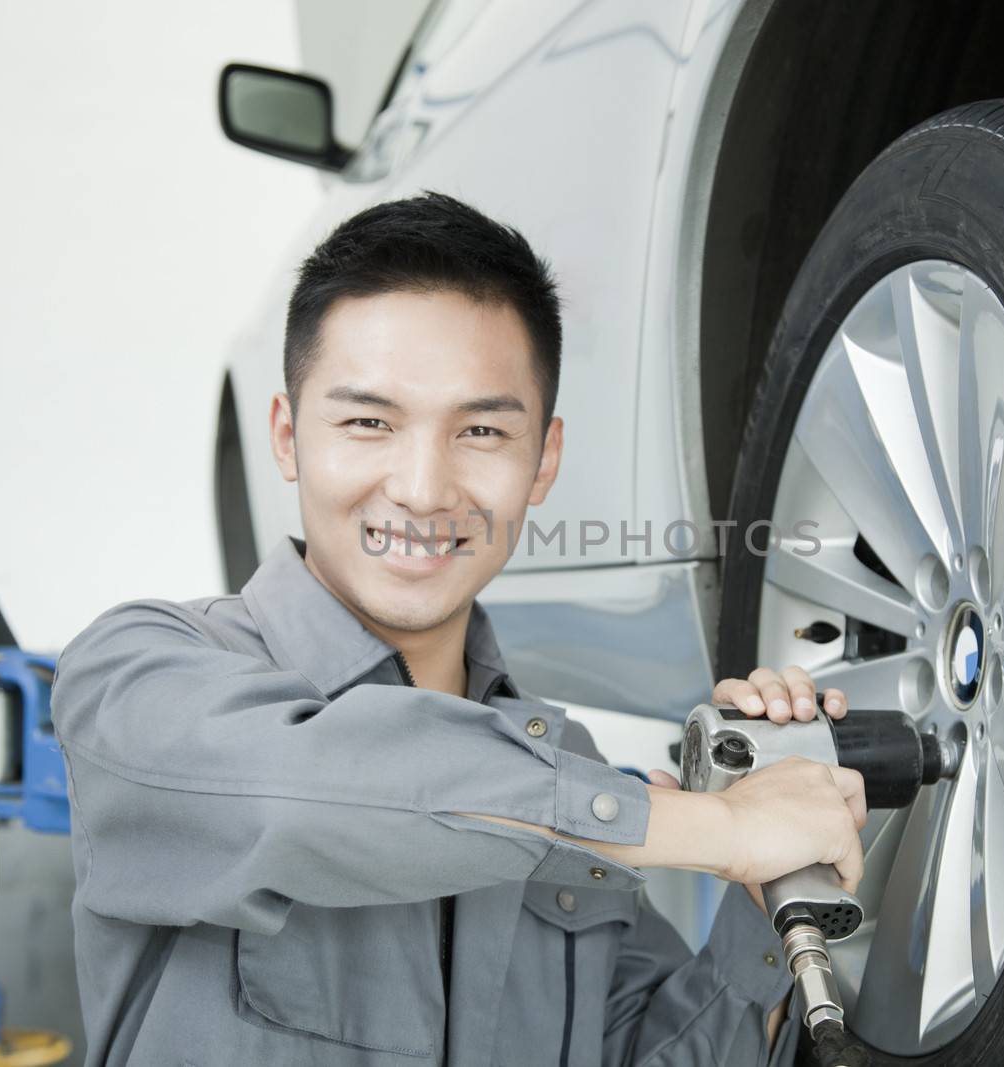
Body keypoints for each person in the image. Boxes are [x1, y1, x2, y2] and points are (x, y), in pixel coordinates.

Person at [50, 191, 868, 1067]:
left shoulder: (575, 770)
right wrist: (718, 829)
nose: (424, 487)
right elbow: (304, 796)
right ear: (288, 438)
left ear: (543, 459)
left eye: (481, 429)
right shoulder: (138, 669)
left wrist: (764, 891)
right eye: (369, 422)